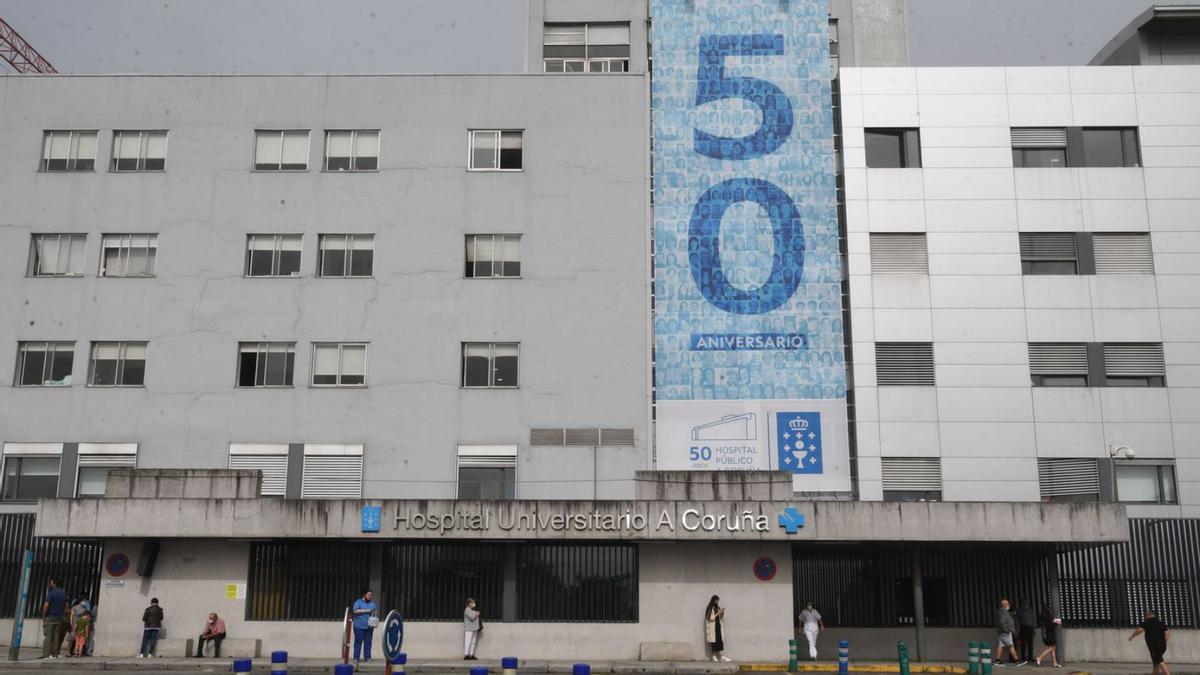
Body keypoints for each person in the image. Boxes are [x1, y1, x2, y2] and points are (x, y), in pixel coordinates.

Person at [1129, 610, 1171, 675]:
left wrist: (1132, 636)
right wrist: (1163, 641)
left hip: (1154, 646)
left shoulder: (1146, 622)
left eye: (1145, 615)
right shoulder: (1160, 623)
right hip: (1163, 646)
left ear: (1149, 614)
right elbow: (1167, 633)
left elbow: (1140, 629)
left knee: (1159, 660)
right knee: (1156, 663)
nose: (1144, 617)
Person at [40, 578, 68, 659]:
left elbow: (46, 605)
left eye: (51, 583)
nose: (50, 584)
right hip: (59, 618)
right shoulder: (64, 593)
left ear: (54, 584)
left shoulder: (51, 593)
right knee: (56, 636)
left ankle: (46, 654)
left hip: (50, 617)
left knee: (48, 636)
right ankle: (55, 654)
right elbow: (66, 607)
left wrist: (44, 615)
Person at [351, 588, 377, 664]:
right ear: (364, 594)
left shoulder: (372, 603)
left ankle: (368, 657)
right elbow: (355, 610)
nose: (370, 596)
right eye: (369, 595)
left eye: (371, 595)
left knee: (368, 642)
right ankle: (356, 658)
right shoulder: (358, 602)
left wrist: (375, 614)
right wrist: (366, 610)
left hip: (369, 626)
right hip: (358, 626)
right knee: (358, 642)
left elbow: (374, 612)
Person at [993, 598, 1018, 666]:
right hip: (1005, 632)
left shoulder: (1000, 611)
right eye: (1008, 604)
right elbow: (1002, 622)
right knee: (1010, 645)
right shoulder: (1004, 611)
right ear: (1005, 605)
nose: (1009, 605)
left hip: (1001, 631)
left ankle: (997, 660)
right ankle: (1017, 660)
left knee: (1001, 646)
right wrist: (1007, 629)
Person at [705, 595, 730, 662]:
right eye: (716, 600)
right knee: (714, 642)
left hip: (718, 626)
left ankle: (722, 656)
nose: (717, 602)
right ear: (713, 600)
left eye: (718, 601)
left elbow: (721, 617)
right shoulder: (710, 608)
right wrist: (718, 613)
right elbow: (710, 618)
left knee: (719, 641)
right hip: (713, 627)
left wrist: (722, 613)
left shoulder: (717, 607)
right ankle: (713, 656)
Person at [1016, 598, 1037, 665]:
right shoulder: (1019, 610)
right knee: (1023, 643)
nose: (1025, 603)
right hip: (1023, 627)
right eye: (1024, 602)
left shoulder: (1031, 611)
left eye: (1026, 601)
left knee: (1030, 643)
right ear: (1022, 603)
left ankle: (1030, 656)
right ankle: (1023, 657)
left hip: (1030, 627)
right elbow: (1017, 620)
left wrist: (1033, 630)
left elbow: (1033, 620)